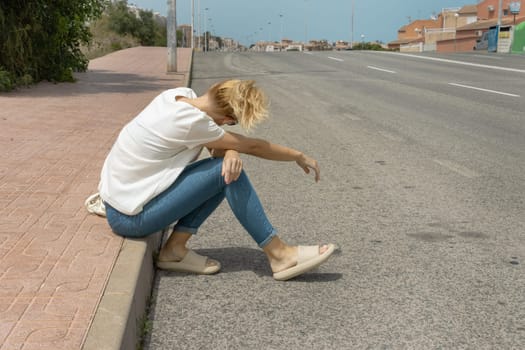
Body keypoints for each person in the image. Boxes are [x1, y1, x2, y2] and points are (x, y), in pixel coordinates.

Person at [98, 79, 335, 281]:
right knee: (229, 173)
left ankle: (174, 250)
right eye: (232, 123)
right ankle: (279, 254)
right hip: (130, 219)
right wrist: (298, 155)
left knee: (225, 169)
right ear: (226, 117)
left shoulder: (177, 96)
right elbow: (252, 145)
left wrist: (230, 150)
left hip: (119, 204)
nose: (227, 126)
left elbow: (219, 145)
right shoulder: (191, 122)